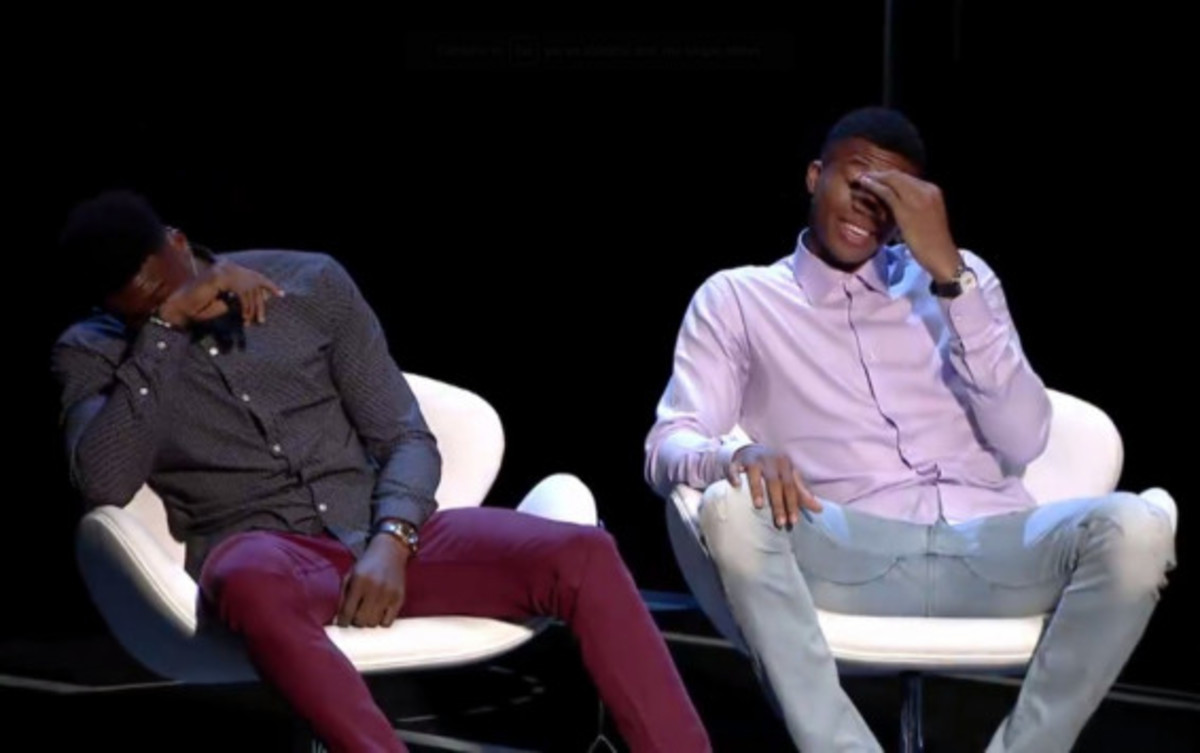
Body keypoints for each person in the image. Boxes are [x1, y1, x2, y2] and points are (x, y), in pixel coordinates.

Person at [52, 190, 711, 753]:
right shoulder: (94, 351)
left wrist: (393, 538)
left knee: (584, 554)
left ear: (177, 242)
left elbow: (405, 436)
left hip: (378, 528)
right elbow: (102, 482)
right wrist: (163, 331)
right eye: (143, 308)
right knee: (245, 577)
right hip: (267, 551)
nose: (166, 304)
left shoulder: (308, 283)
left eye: (168, 286)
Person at [644, 107, 1176, 752]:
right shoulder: (739, 298)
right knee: (732, 511)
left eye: (891, 196)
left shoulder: (959, 281)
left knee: (1139, 527)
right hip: (848, 548)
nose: (867, 207)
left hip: (993, 546)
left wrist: (951, 278)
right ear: (815, 176)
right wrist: (738, 456)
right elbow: (669, 442)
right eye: (857, 181)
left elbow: (1025, 438)